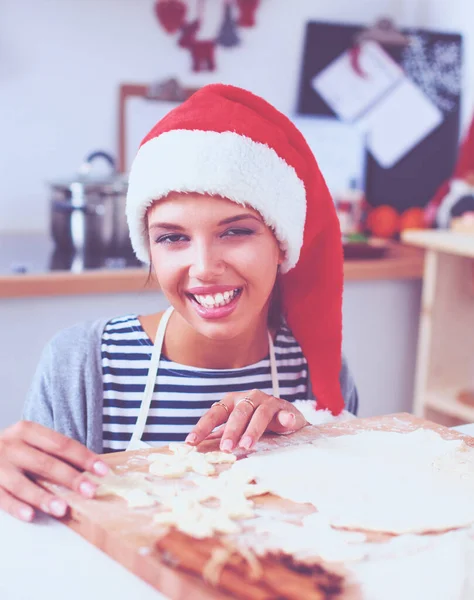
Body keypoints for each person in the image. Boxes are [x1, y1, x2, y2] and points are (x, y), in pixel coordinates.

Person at [0, 84, 358, 523]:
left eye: (235, 231)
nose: (204, 267)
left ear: (282, 243)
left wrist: (311, 435)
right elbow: (41, 531)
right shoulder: (82, 365)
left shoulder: (316, 370)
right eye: (173, 238)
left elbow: (352, 510)